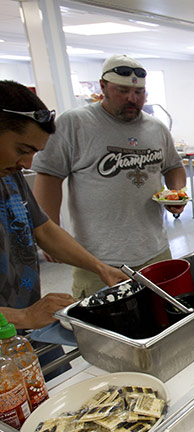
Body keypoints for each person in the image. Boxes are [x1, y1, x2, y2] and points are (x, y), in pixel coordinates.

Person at [31, 54, 187, 299]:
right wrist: (49, 231)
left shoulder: (156, 128)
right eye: (122, 91)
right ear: (103, 86)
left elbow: (174, 167)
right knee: (107, 329)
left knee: (162, 316)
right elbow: (49, 176)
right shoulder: (74, 124)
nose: (131, 99)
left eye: (139, 93)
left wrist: (177, 193)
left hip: (154, 249)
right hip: (97, 259)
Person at [0, 80, 127, 330]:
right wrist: (21, 316)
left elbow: (44, 230)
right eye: (23, 149)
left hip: (25, 326)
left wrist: (100, 268)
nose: (27, 163)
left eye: (35, 152)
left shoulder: (8, 174)